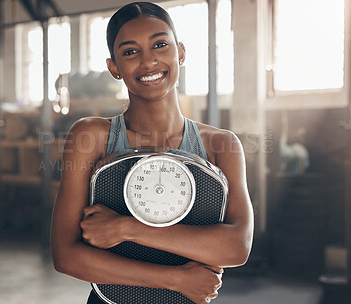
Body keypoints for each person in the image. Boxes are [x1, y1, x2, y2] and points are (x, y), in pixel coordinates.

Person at [51, 2, 254, 304]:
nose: (148, 61)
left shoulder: (219, 145)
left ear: (180, 52)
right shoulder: (91, 137)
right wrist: (176, 280)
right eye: (130, 52)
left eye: (160, 44)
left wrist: (126, 228)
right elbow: (66, 255)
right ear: (114, 68)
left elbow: (237, 247)